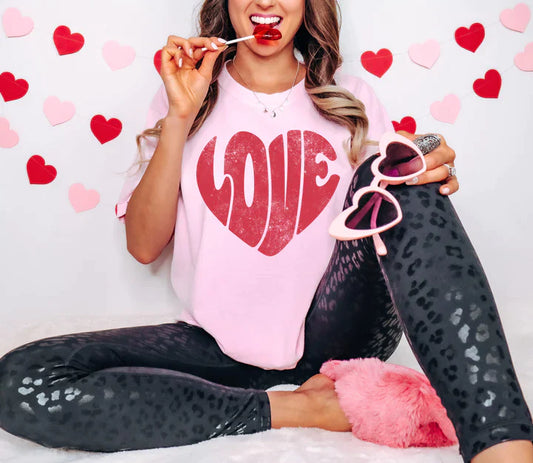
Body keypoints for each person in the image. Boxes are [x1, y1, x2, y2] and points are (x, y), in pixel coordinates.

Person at [0, 1, 531, 462]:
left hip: (338, 335)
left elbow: (398, 200)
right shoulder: (184, 96)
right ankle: (297, 407)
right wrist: (182, 116)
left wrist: (426, 154)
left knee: (398, 172)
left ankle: (501, 446)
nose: (266, 0)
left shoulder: (351, 94)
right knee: (19, 381)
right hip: (212, 346)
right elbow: (143, 246)